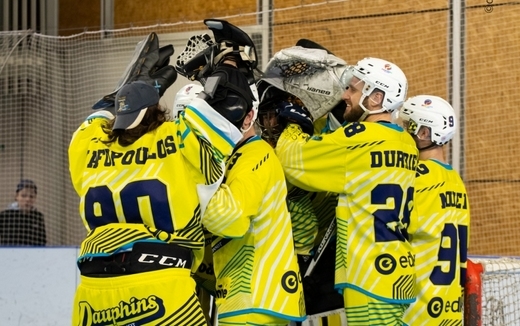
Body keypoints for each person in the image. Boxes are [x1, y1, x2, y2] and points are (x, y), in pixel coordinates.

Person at [68, 31, 250, 325]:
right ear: (159, 112)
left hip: (93, 290)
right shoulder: (180, 137)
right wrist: (228, 59)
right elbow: (233, 110)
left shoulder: (88, 145)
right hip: (160, 288)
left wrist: (128, 88)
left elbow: (97, 117)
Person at [275, 57, 419, 325]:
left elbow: (291, 160)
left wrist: (297, 124)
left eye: (353, 89)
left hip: (368, 275)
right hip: (397, 270)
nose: (345, 96)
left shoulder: (359, 138)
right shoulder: (405, 143)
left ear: (375, 98)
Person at [200, 65, 306, 325]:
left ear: (248, 117)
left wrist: (194, 182)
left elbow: (228, 219)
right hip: (245, 298)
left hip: (256, 299)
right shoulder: (233, 156)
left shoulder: (255, 154)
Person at [397, 95, 470, 325]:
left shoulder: (415, 177)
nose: (402, 133)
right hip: (449, 310)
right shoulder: (456, 180)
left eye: (407, 127)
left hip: (417, 310)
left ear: (424, 134)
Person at [0, 179, 46, 246]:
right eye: (23, 196)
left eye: (31, 196)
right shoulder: (5, 215)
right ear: (16, 196)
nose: (27, 199)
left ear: (35, 198)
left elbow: (42, 241)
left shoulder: (38, 216)